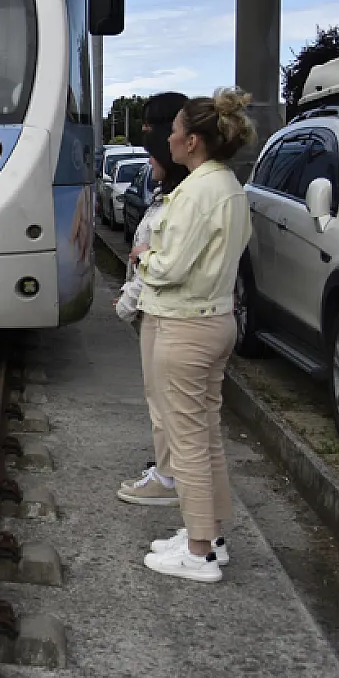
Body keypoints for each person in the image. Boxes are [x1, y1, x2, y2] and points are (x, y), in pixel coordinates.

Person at [134, 89, 255, 583]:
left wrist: (143, 257)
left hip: (186, 324)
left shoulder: (195, 193)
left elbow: (172, 267)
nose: (169, 137)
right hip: (218, 318)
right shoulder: (227, 185)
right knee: (205, 437)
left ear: (194, 141)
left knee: (187, 442)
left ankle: (200, 550)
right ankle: (210, 535)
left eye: (175, 130)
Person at [115, 91, 190, 507]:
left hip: (170, 315)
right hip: (168, 313)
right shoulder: (177, 196)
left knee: (166, 403)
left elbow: (163, 265)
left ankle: (169, 480)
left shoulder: (183, 201)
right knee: (167, 403)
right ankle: (169, 472)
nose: (148, 162)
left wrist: (127, 301)